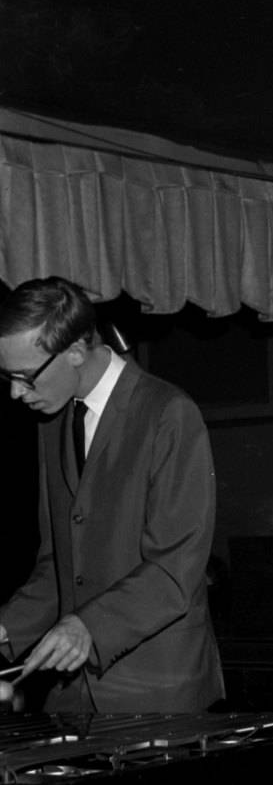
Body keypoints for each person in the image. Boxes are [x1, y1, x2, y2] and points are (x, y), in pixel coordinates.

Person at [0, 277, 224, 713]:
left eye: (25, 377)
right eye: (7, 377)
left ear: (77, 352)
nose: (14, 393)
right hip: (75, 696)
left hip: (159, 693)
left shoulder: (169, 414)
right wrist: (5, 627)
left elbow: (175, 569)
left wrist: (87, 627)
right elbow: (59, 568)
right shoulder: (52, 424)